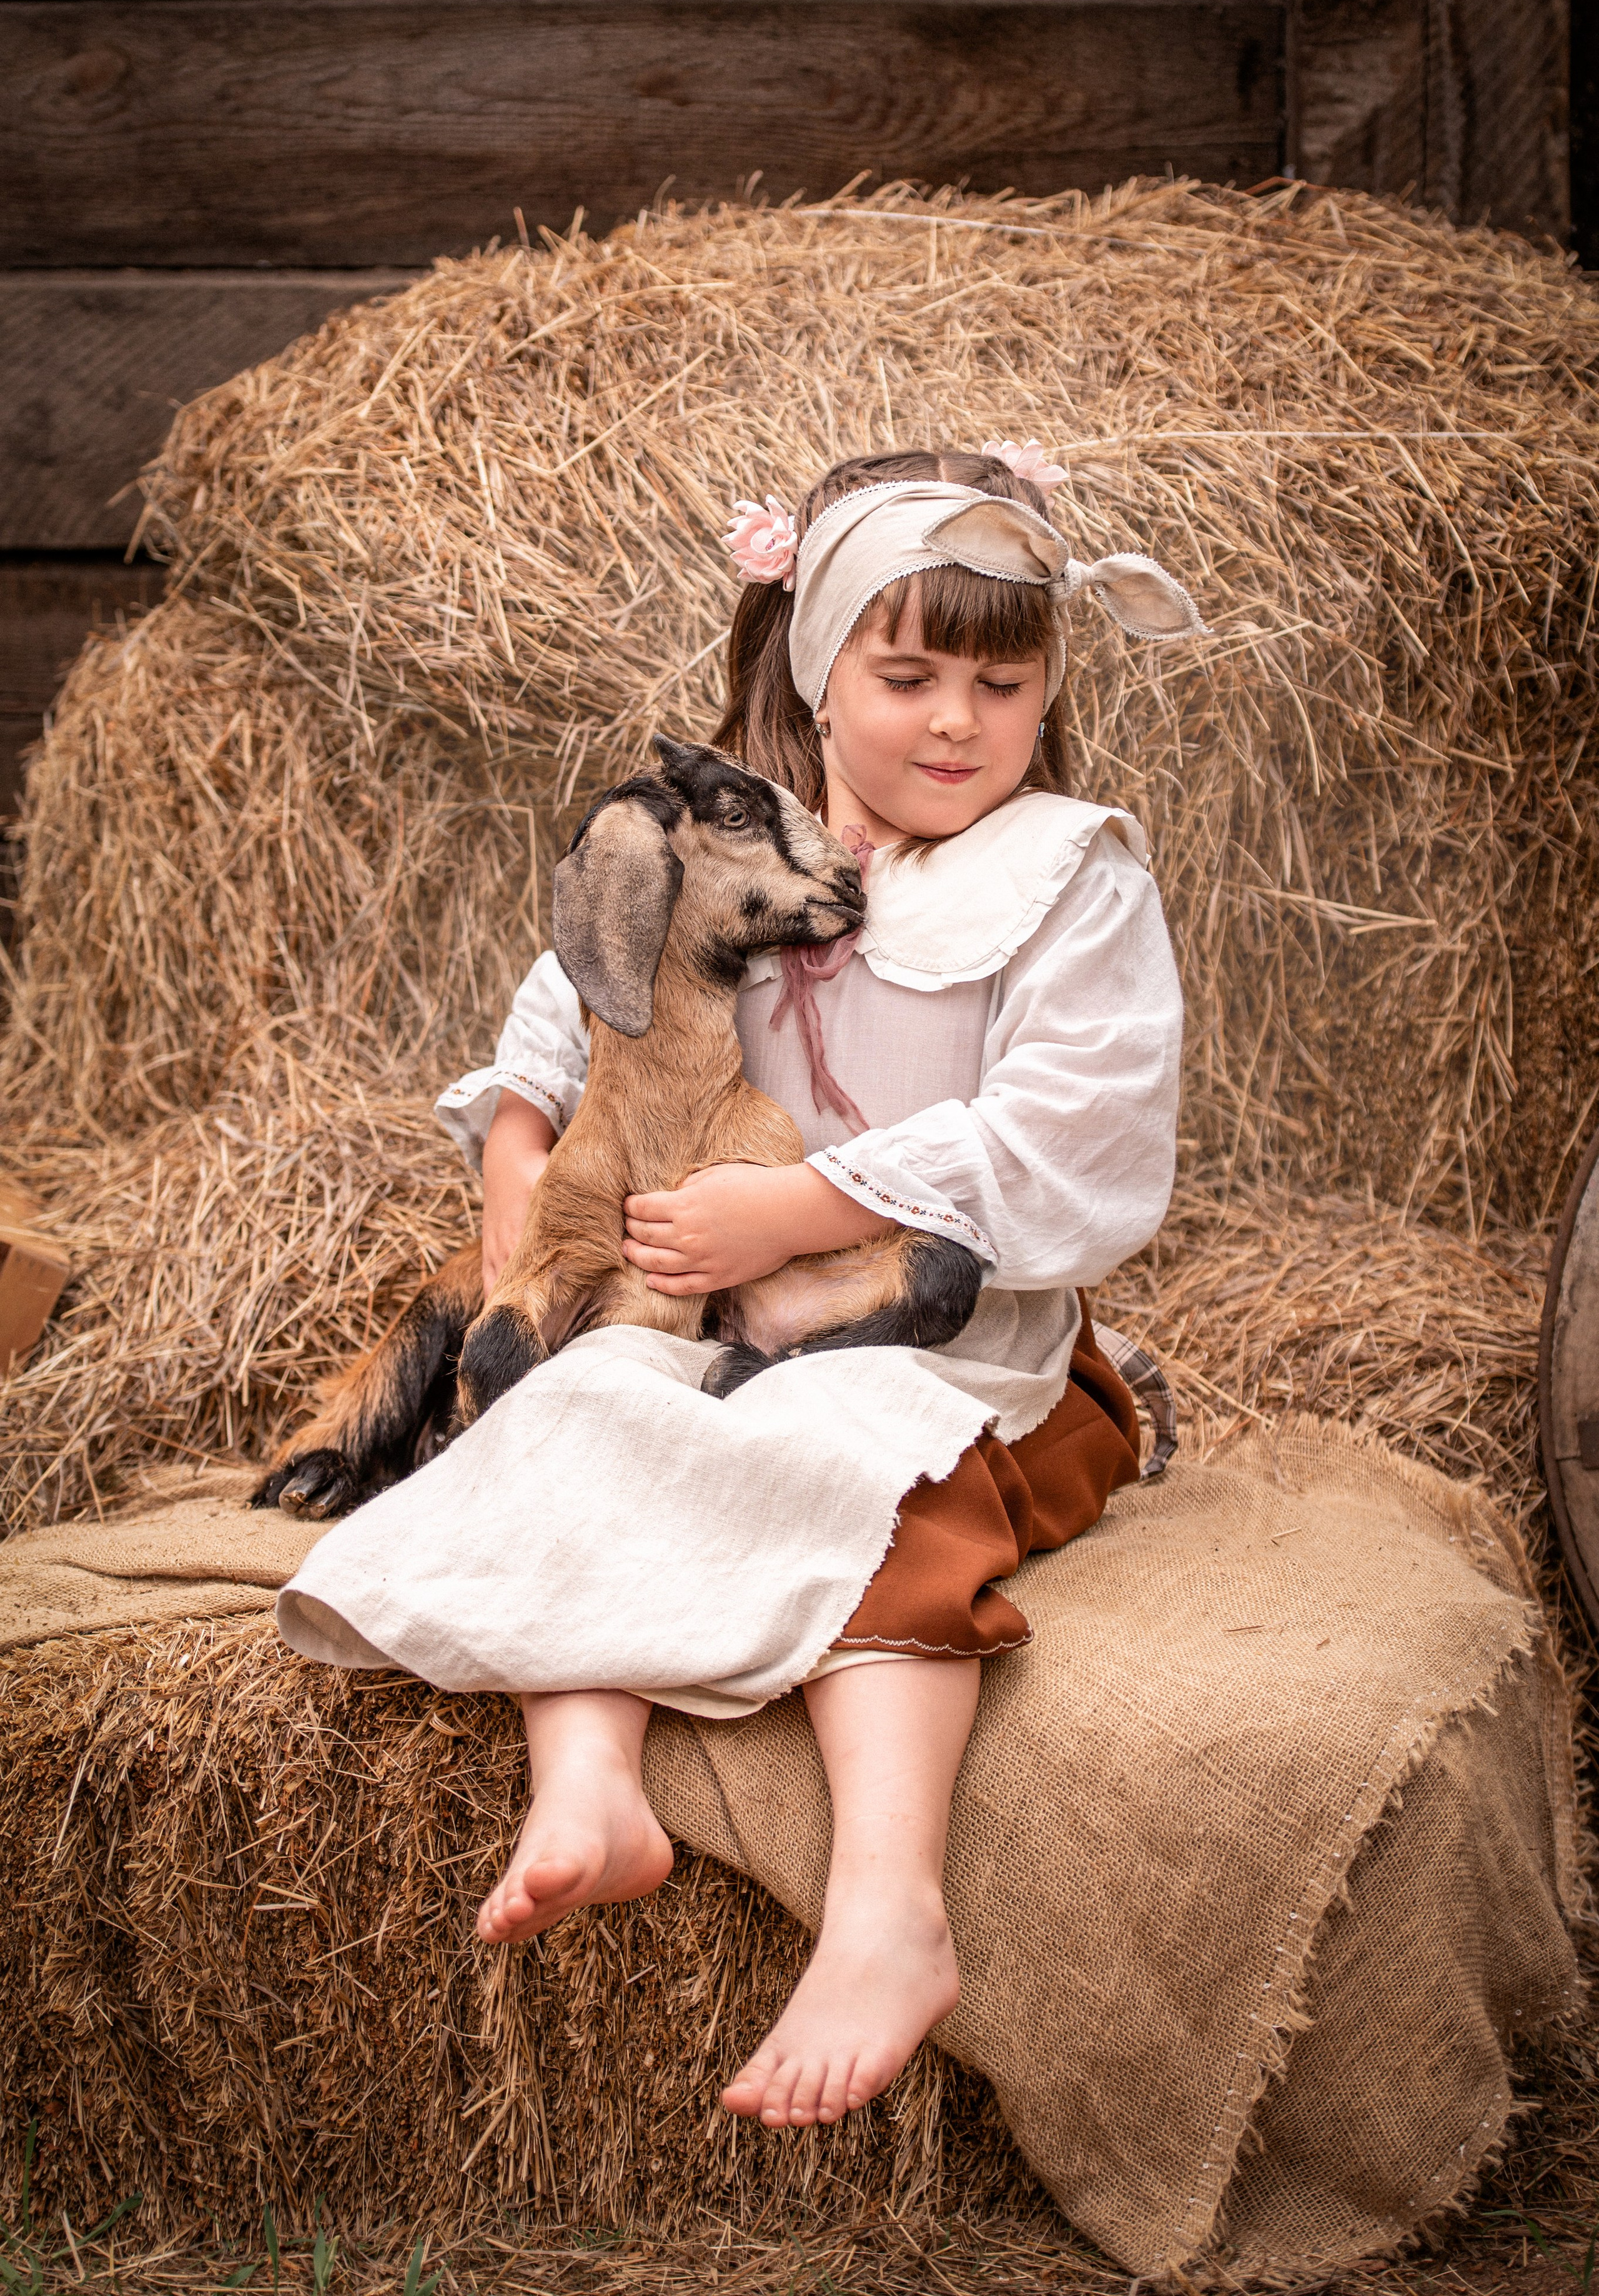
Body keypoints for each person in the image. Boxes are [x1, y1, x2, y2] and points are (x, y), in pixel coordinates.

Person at [277, 439, 1199, 2136]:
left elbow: (1080, 1138)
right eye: (907, 674)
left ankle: (888, 1915)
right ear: (813, 659)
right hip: (701, 1329)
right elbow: (548, 1052)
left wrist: (802, 1207)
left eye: (1006, 681)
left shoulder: (1071, 877)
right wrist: (521, 1229)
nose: (958, 722)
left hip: (965, 1361)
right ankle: (591, 1788)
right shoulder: (727, 840)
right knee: (585, 1415)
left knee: (868, 1472)